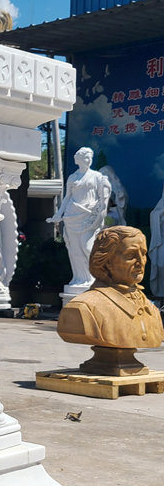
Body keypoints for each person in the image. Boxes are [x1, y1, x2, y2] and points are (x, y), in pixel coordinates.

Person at [57, 226, 163, 351]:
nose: (141, 261)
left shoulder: (151, 309)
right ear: (106, 261)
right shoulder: (84, 308)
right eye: (131, 255)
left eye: (143, 253)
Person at [47, 147, 111, 291]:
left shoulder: (97, 176)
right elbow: (67, 198)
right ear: (79, 160)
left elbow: (103, 200)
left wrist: (100, 216)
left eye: (90, 158)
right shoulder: (73, 177)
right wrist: (58, 214)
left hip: (88, 216)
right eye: (86, 157)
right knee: (74, 250)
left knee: (87, 247)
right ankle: (79, 278)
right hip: (71, 216)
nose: (89, 160)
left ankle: (95, 277)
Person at [150, 183, 164, 299]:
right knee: (160, 264)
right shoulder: (161, 206)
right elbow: (154, 214)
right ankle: (160, 295)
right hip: (162, 241)